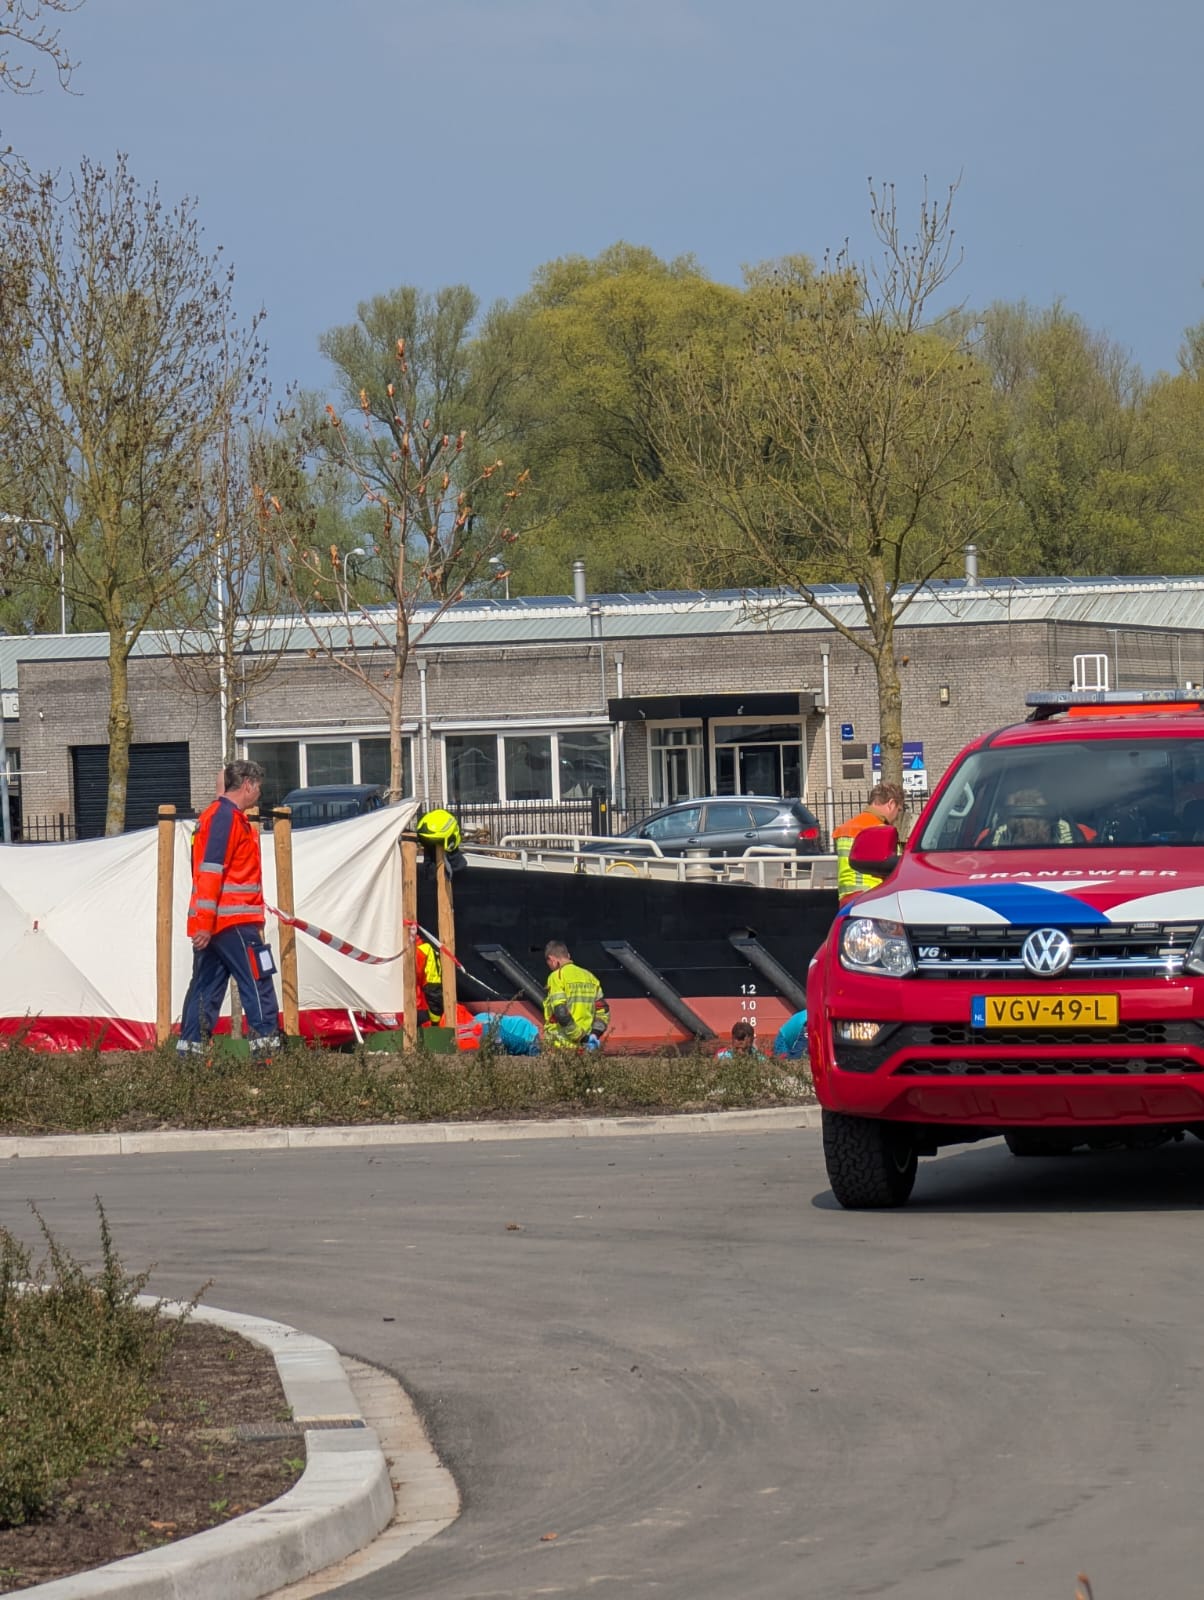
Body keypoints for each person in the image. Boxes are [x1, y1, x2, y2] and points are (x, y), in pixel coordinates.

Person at [179, 760, 281, 1059]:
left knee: (205, 989)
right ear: (247, 785)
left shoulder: (215, 816)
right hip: (234, 920)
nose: (259, 793)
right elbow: (212, 870)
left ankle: (190, 1057)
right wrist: (206, 922)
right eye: (258, 787)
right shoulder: (226, 818)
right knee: (258, 982)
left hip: (216, 923)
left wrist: (204, 924)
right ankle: (266, 1055)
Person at [832, 783, 905, 903]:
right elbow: (897, 870)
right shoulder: (883, 832)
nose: (897, 816)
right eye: (899, 810)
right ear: (891, 804)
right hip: (872, 899)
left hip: (845, 900)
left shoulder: (845, 828)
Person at [542, 940, 610, 1050]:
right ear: (568, 956)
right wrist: (594, 1034)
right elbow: (603, 1010)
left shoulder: (556, 976)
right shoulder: (590, 977)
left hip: (561, 1047)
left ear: (552, 960)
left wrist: (579, 1037)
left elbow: (561, 1012)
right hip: (586, 1048)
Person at [468, 1012, 541, 1055]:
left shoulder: (481, 1026)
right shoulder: (476, 1021)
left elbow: (504, 1037)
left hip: (526, 1035)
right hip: (519, 1030)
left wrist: (529, 1049)